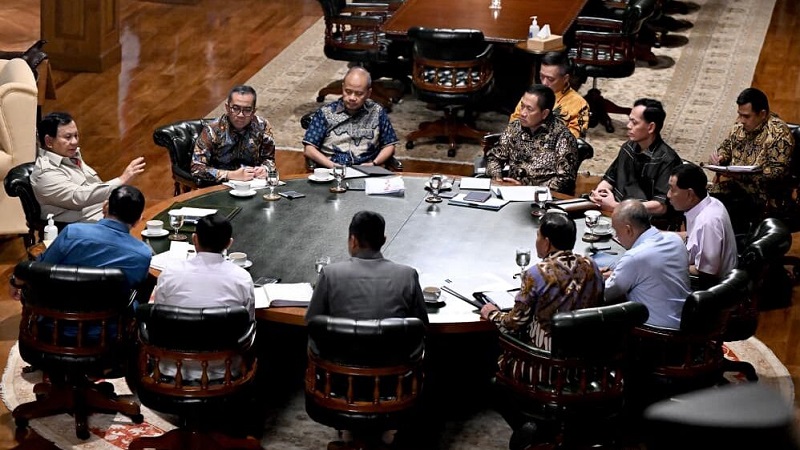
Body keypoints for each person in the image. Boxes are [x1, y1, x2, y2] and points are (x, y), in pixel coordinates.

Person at [479, 212, 604, 352]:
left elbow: (515, 322)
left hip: (545, 361)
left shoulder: (536, 273)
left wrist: (493, 314)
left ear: (547, 242)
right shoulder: (591, 265)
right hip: (586, 358)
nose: (536, 240)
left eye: (538, 235)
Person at [153, 213, 255, 381]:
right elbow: (248, 323)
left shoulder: (169, 273)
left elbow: (159, 317)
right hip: (224, 368)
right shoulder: (242, 278)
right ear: (229, 243)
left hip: (172, 365)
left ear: (194, 239)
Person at [306, 210, 428, 325]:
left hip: (341, 347)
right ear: (383, 240)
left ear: (353, 241)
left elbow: (312, 322)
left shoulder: (329, 274)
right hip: (392, 347)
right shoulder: (408, 276)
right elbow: (421, 325)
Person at [31, 112, 146, 223]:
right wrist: (121, 180)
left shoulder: (71, 156)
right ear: (49, 141)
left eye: (76, 135)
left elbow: (94, 184)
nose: (74, 142)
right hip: (80, 229)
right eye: (68, 137)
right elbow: (78, 197)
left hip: (104, 214)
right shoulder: (45, 173)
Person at [38, 184, 152, 290]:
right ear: (138, 221)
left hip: (56, 307)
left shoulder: (71, 232)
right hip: (111, 310)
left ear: (105, 207)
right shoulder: (142, 255)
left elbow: (42, 268)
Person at [708, 87, 794, 226]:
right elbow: (726, 147)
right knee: (700, 197)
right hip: (736, 187)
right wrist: (720, 157)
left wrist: (741, 175)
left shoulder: (779, 134)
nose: (741, 120)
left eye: (746, 116)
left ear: (762, 114)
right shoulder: (740, 126)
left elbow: (777, 173)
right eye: (740, 114)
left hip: (761, 196)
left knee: (720, 213)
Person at [589, 98, 683, 216]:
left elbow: (661, 206)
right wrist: (599, 193)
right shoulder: (628, 147)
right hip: (616, 210)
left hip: (642, 220)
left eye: (634, 122)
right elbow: (610, 178)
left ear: (651, 127)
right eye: (629, 121)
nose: (628, 126)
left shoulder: (668, 160)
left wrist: (618, 207)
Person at [604, 200, 690, 329]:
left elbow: (606, 294)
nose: (616, 236)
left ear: (628, 230)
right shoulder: (675, 240)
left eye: (617, 231)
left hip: (655, 332)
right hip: (686, 321)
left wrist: (593, 275)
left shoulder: (634, 257)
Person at [485, 84, 579, 193]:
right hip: (509, 192)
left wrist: (527, 188)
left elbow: (565, 182)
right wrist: (498, 179)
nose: (522, 113)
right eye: (522, 106)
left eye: (529, 109)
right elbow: (495, 157)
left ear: (544, 113)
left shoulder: (562, 137)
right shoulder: (515, 127)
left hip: (542, 199)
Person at [302, 67, 399, 168]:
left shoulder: (377, 112)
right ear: (342, 88)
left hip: (368, 170)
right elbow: (309, 149)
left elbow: (389, 145)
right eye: (348, 91)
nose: (352, 98)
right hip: (332, 170)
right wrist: (333, 166)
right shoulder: (325, 113)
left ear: (368, 93)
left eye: (359, 93)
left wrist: (374, 164)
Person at [191, 84, 276, 183]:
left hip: (253, 183)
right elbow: (197, 168)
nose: (241, 115)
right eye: (235, 108)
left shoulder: (263, 126)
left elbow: (269, 159)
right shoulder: (212, 130)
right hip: (218, 186)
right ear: (227, 108)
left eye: (247, 110)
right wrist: (230, 175)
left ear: (254, 111)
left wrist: (265, 169)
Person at [667, 163, 738, 280]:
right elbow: (694, 238)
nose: (668, 195)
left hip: (709, 289)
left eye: (672, 189)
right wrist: (658, 234)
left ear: (690, 194)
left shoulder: (708, 222)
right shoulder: (710, 202)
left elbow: (705, 271)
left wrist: (669, 266)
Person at [508, 51, 590, 139]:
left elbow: (574, 141)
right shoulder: (531, 94)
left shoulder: (579, 105)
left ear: (565, 78)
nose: (544, 83)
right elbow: (514, 122)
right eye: (542, 76)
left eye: (550, 79)